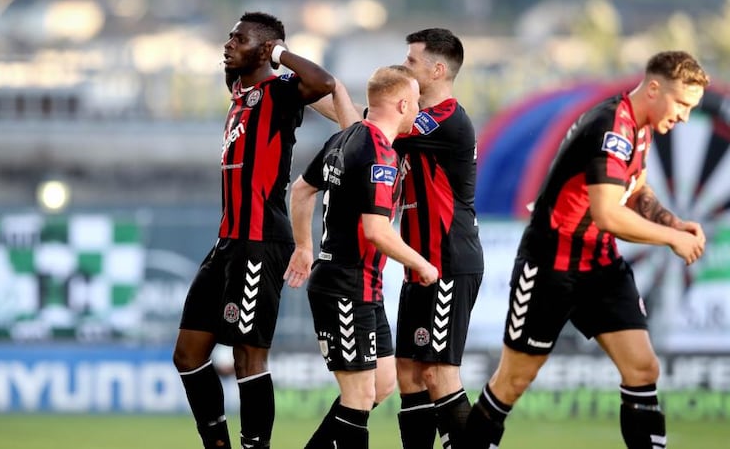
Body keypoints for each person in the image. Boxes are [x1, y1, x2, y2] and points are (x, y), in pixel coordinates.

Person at [465, 50, 709, 449]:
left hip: (600, 266)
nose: (683, 116)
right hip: (551, 267)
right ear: (653, 88)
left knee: (643, 368)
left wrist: (673, 222)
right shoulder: (611, 127)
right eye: (681, 103)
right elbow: (609, 214)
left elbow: (637, 189)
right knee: (514, 380)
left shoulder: (641, 128)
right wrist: (673, 239)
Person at [172, 11, 335, 449]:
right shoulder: (240, 91)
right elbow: (231, 67)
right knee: (187, 355)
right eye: (228, 37)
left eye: (238, 38)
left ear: (264, 50)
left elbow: (324, 84)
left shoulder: (280, 92)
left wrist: (278, 52)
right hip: (228, 242)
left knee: (249, 357)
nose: (228, 44)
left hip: (261, 241)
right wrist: (248, 52)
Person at [285, 65, 439, 448]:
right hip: (344, 287)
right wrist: (420, 263)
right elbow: (376, 230)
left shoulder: (348, 136)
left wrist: (305, 247)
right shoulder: (380, 156)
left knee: (382, 384)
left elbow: (301, 190)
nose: (418, 110)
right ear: (403, 104)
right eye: (416, 103)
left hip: (363, 288)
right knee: (357, 397)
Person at [390, 28, 484, 449]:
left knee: (438, 373)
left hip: (447, 260)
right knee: (410, 374)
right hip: (419, 265)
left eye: (411, 61)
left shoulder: (444, 118)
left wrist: (325, 90)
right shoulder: (418, 120)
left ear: (438, 69)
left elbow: (369, 125)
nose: (404, 66)